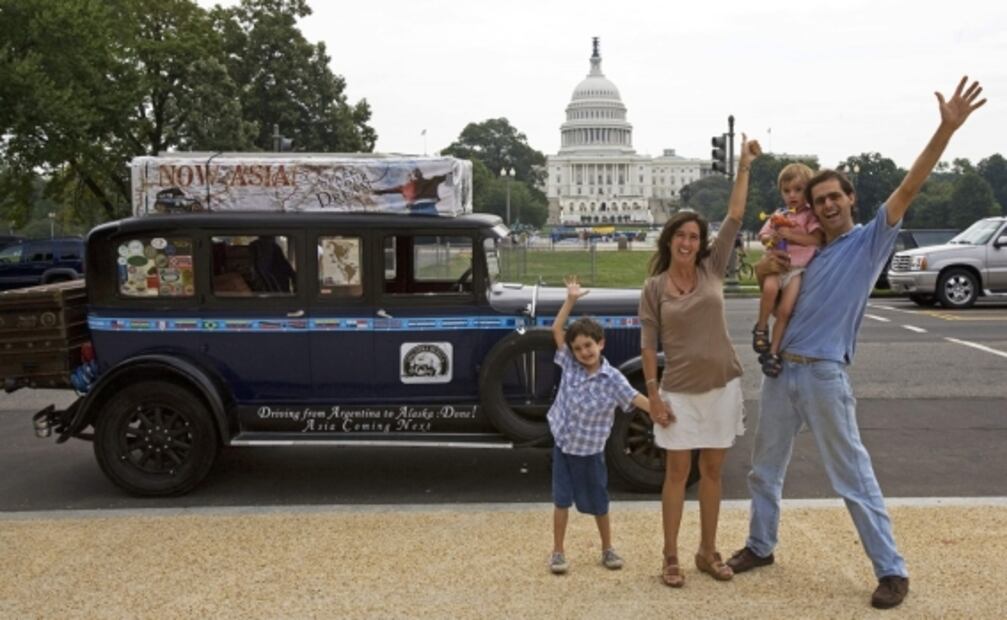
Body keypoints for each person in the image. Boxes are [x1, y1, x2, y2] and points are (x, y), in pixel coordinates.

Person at [727, 77, 985, 610]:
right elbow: (772, 277)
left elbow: (909, 187)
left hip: (823, 373)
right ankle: (761, 544)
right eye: (817, 200)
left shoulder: (868, 243)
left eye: (833, 197)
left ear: (851, 199)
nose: (824, 206)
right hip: (782, 370)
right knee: (762, 468)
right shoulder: (810, 248)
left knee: (851, 476)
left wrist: (946, 129)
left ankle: (891, 569)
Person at [638, 135, 762, 587]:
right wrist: (652, 394)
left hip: (722, 383)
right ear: (669, 240)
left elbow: (734, 216)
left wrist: (743, 165)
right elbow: (648, 345)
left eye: (694, 237)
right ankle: (669, 554)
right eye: (682, 236)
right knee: (676, 474)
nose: (688, 243)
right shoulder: (654, 288)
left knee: (712, 472)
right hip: (678, 391)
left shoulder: (713, 268)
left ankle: (706, 551)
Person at [547, 275, 652, 575]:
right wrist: (570, 300)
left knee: (599, 501)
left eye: (588, 346)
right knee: (561, 500)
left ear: (601, 344)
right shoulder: (569, 363)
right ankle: (558, 551)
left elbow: (636, 398)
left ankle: (608, 547)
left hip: (591, 451)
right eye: (578, 348)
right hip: (564, 445)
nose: (584, 353)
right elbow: (557, 330)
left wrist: (660, 411)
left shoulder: (613, 379)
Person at [752, 163, 824, 377]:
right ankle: (761, 328)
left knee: (785, 311)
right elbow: (763, 235)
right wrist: (770, 239)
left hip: (796, 269)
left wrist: (790, 235)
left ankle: (773, 353)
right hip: (777, 264)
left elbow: (816, 239)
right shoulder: (779, 214)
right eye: (786, 191)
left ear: (808, 191)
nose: (792, 195)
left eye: (798, 190)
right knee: (769, 290)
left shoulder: (810, 216)